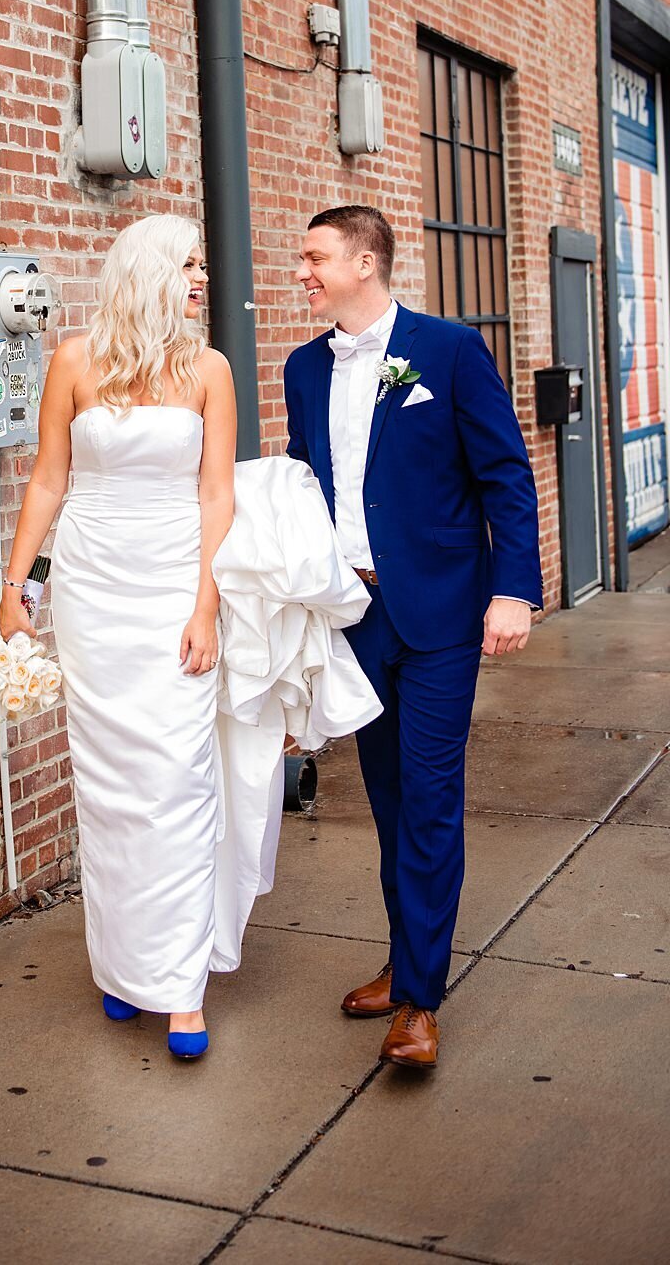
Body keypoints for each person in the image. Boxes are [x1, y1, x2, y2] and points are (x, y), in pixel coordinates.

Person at [0, 213, 381, 1060]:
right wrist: (19, 586)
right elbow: (49, 480)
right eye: (189, 262)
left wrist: (206, 607)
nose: (203, 276)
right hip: (94, 590)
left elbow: (217, 499)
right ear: (146, 271)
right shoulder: (74, 360)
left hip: (175, 582)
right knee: (108, 785)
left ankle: (180, 987)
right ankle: (122, 966)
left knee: (176, 778)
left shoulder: (209, 369)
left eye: (204, 261)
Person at [285, 205, 542, 1070]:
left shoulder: (449, 350)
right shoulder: (300, 367)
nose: (305, 272)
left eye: (316, 258)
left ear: (365, 261)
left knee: (430, 798)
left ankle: (421, 1003)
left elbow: (505, 473)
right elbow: (301, 491)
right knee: (390, 802)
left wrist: (513, 588)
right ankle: (404, 963)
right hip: (352, 616)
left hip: (438, 613)